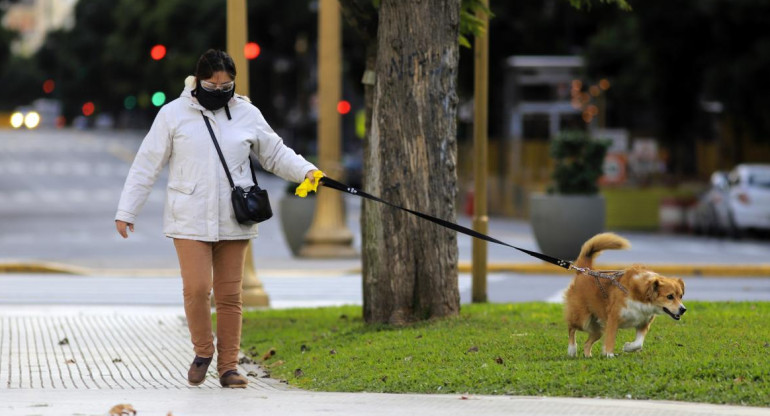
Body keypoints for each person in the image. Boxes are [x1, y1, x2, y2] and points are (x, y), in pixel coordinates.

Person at [115, 49, 320, 388]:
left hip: (234, 217)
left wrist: (307, 172)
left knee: (229, 297)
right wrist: (127, 210)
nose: (219, 90)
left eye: (226, 86)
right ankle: (203, 350)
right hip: (188, 216)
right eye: (212, 84)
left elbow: (275, 153)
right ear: (197, 81)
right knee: (196, 289)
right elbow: (146, 164)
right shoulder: (173, 115)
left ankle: (228, 367)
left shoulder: (246, 112)